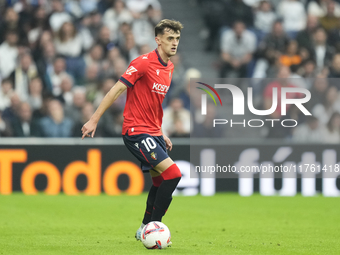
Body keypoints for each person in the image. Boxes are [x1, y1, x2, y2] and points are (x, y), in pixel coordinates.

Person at [81, 19, 183, 244]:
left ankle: (144, 227)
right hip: (136, 132)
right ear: (158, 40)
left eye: (177, 39)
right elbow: (116, 89)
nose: (174, 43)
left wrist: (160, 132)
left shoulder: (169, 67)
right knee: (174, 174)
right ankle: (154, 227)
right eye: (169, 39)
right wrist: (93, 119)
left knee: (159, 183)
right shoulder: (143, 63)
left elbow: (153, 104)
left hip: (152, 132)